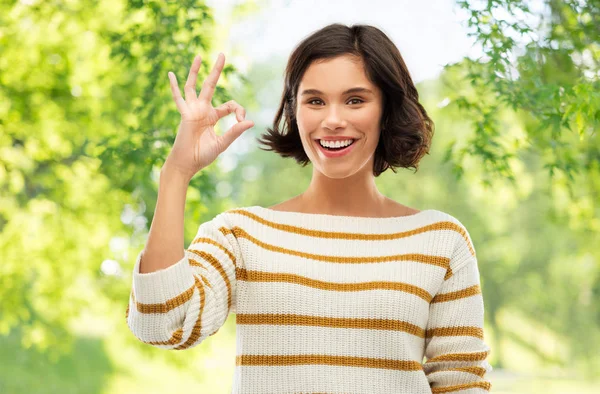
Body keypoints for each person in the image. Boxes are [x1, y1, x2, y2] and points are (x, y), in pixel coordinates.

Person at [126, 23, 493, 394]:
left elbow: (462, 383)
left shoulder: (440, 241)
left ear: (386, 110)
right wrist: (176, 173)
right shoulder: (242, 235)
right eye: (315, 101)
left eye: (355, 100)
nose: (332, 120)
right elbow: (161, 323)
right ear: (294, 112)